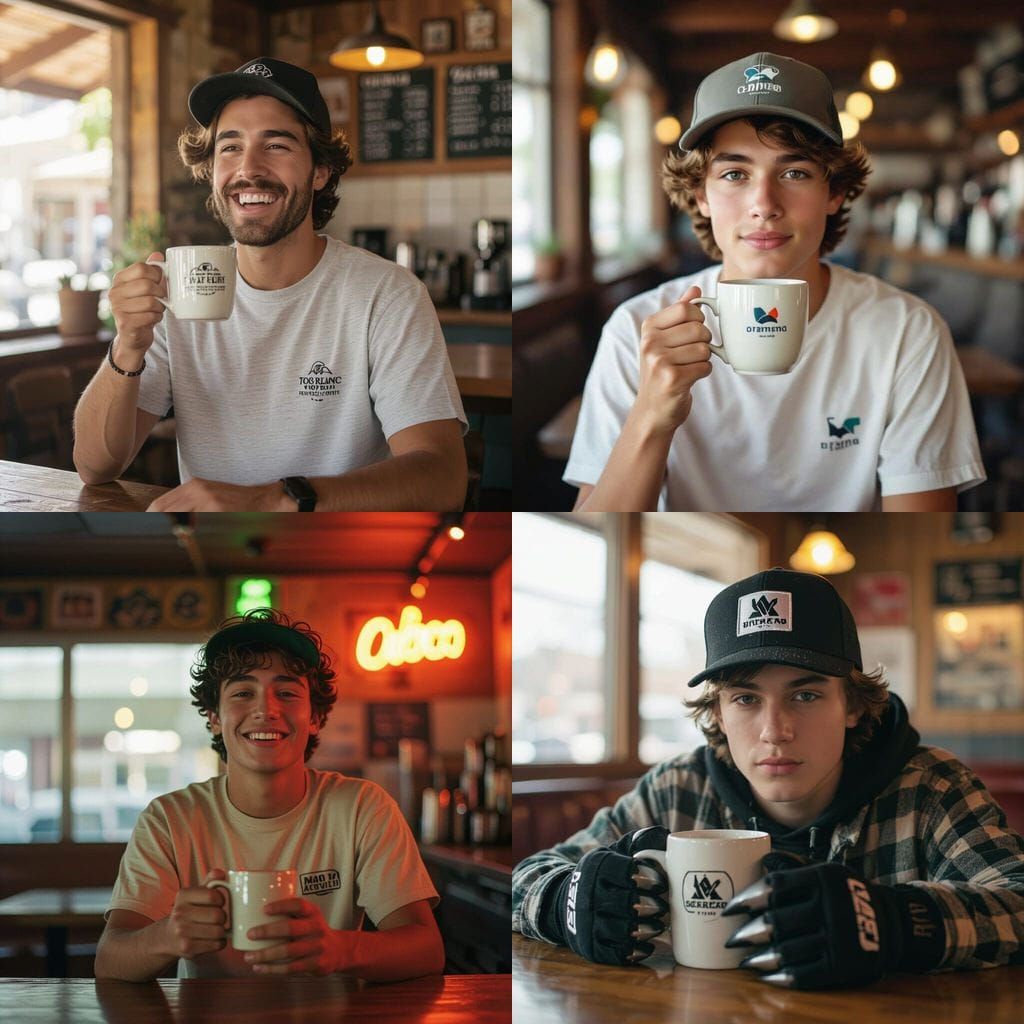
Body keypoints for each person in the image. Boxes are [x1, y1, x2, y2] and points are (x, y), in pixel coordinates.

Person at [512, 568, 1024, 989]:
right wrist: (565, 903)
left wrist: (893, 921)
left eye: (806, 695)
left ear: (851, 704)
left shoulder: (929, 786)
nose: (775, 732)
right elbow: (525, 879)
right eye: (746, 699)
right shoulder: (677, 789)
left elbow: (1016, 901)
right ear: (717, 710)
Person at [564, 52, 985, 511]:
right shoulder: (638, 329)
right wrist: (651, 416)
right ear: (701, 194)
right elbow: (596, 523)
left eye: (795, 172)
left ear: (835, 191)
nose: (764, 203)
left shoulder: (907, 330)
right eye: (734, 174)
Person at [73, 57, 467, 512]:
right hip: (212, 557)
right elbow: (95, 467)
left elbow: (442, 476)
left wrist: (275, 500)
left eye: (276, 145)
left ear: (320, 171)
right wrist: (127, 346)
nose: (249, 168)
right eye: (230, 147)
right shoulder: (180, 291)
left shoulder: (387, 294)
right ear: (210, 169)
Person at [95, 608, 444, 981]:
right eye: (243, 692)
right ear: (214, 716)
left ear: (313, 718)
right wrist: (166, 937)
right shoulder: (169, 819)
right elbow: (109, 961)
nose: (265, 709)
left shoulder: (362, 807)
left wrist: (341, 949)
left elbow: (427, 948)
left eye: (287, 692)